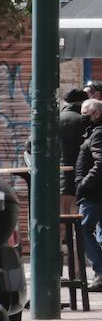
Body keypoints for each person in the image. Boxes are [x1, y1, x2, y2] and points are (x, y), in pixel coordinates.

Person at [71, 98, 102, 291]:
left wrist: (83, 184)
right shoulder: (94, 131)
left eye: (84, 113)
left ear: (96, 114)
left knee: (83, 230)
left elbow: (100, 163)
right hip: (95, 193)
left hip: (93, 194)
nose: (81, 117)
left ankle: (100, 271)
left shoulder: (98, 133)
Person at [60, 88, 87, 208]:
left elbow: (30, 145)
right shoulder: (85, 121)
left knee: (57, 222)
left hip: (54, 182)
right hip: (80, 181)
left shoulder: (50, 121)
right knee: (79, 221)